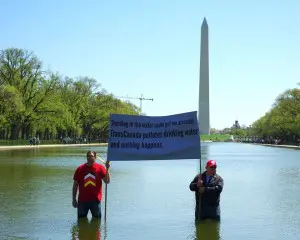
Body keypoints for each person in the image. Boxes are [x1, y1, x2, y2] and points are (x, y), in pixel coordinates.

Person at [72, 151, 110, 218]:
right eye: (88, 156)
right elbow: (75, 185)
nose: (90, 158)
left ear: (95, 157)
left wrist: (107, 169)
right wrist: (74, 199)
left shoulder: (100, 168)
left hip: (95, 201)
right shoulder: (80, 169)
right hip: (82, 201)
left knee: (97, 221)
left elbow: (107, 181)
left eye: (91, 156)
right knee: (81, 221)